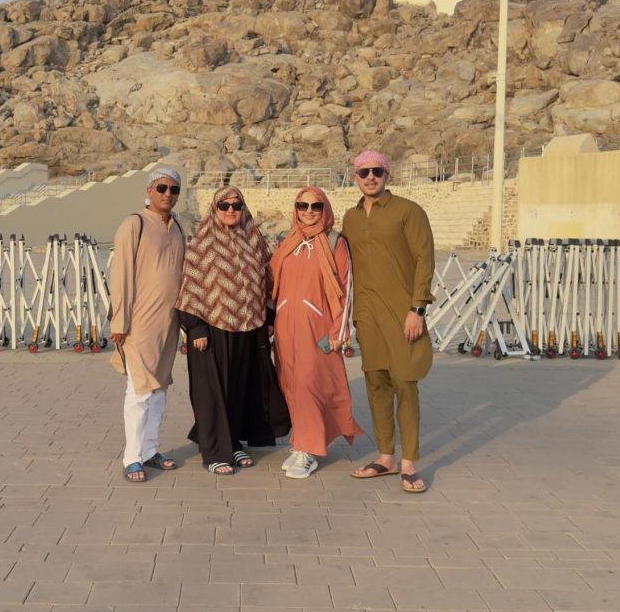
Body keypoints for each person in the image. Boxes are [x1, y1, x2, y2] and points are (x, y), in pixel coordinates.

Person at [176, 187, 290, 474]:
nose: (230, 210)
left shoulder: (254, 240)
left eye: (236, 205)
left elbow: (267, 279)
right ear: (214, 209)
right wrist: (196, 328)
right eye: (224, 206)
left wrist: (270, 317)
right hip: (212, 327)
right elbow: (190, 285)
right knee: (214, 390)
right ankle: (214, 451)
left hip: (249, 325)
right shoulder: (202, 243)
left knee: (240, 386)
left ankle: (234, 443)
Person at [342, 151, 435, 493]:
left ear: (387, 175)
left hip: (402, 312)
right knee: (376, 381)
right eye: (364, 172)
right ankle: (386, 457)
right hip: (366, 314)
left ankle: (409, 463)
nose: (370, 177)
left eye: (377, 171)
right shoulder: (350, 218)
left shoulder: (408, 212)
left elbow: (425, 259)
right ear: (355, 177)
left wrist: (418, 308)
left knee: (405, 382)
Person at [269, 187, 363, 479]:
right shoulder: (286, 242)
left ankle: (309, 449)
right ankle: (301, 442)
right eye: (302, 205)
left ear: (325, 210)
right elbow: (272, 282)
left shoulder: (335, 242)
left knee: (312, 385)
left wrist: (339, 330)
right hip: (286, 327)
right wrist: (270, 321)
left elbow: (346, 288)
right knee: (291, 384)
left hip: (318, 327)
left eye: (316, 206)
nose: (309, 211)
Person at [109, 168, 186, 483]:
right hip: (138, 321)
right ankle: (132, 457)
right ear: (149, 190)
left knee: (159, 387)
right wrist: (120, 320)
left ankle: (151, 449)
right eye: (161, 188)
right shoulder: (134, 224)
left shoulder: (178, 226)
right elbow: (121, 274)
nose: (167, 194)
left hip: (169, 321)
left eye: (174, 189)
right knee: (139, 389)